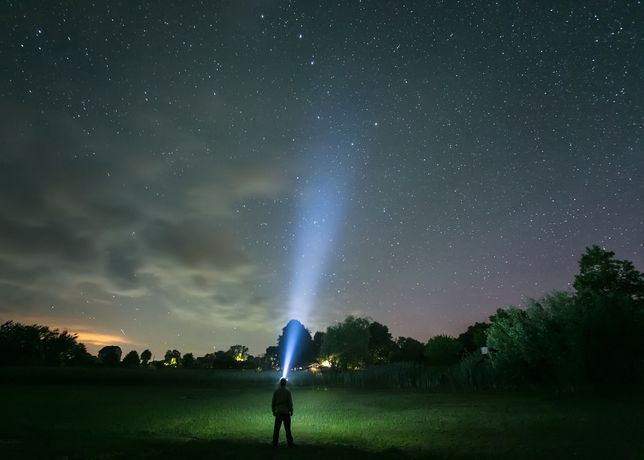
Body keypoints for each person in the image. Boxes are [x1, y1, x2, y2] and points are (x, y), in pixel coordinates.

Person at [272, 377, 295, 447]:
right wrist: (291, 410)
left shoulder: (276, 391)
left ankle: (275, 442)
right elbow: (290, 402)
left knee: (276, 428)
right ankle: (290, 443)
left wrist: (273, 410)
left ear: (280, 383)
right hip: (285, 412)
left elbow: (273, 402)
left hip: (278, 411)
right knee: (287, 429)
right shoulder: (287, 392)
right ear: (285, 383)